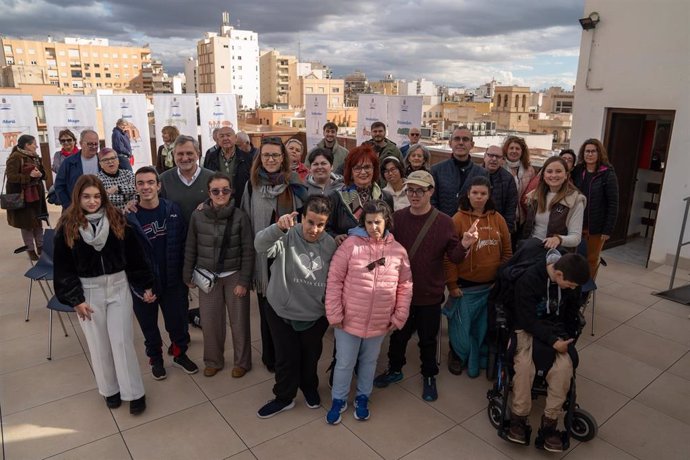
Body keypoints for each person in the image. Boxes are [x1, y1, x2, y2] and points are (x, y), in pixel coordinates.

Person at [53, 175, 156, 415]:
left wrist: (145, 284)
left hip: (118, 287)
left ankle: (134, 392)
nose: (92, 201)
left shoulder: (118, 219)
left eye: (97, 196)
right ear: (78, 197)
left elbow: (135, 257)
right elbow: (63, 268)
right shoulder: (67, 226)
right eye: (86, 196)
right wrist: (75, 299)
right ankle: (110, 390)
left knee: (121, 341)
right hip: (88, 292)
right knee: (99, 344)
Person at [374, 170, 475, 401]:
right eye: (410, 190)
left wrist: (466, 243)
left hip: (429, 293)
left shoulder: (444, 222)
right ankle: (395, 369)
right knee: (398, 336)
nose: (414, 195)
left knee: (428, 339)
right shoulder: (397, 218)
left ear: (431, 191)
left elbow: (455, 257)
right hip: (401, 292)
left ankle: (429, 375)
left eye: (420, 190)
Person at [325, 200, 412, 424]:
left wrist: (399, 315)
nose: (374, 227)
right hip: (348, 320)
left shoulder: (398, 251)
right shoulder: (350, 246)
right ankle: (339, 399)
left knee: (369, 362)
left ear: (386, 222)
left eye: (378, 222)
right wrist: (334, 314)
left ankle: (363, 397)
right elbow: (334, 280)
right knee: (344, 362)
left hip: (379, 322)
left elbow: (405, 285)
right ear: (363, 223)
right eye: (370, 222)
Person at [255, 195, 337, 418]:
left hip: (314, 315)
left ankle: (309, 388)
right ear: (302, 218)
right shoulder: (287, 234)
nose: (315, 229)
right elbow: (260, 245)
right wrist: (277, 229)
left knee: (310, 357)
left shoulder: (330, 245)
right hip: (280, 310)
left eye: (321, 224)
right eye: (310, 222)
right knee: (286, 358)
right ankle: (284, 397)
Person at [507, 249, 590, 453]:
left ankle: (550, 424)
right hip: (527, 327)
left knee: (563, 368)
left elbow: (571, 316)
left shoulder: (572, 287)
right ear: (559, 274)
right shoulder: (529, 279)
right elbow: (525, 318)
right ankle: (519, 418)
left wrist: (565, 339)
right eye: (570, 285)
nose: (572, 289)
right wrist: (552, 341)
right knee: (525, 365)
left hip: (556, 329)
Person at [241, 137, 308, 372]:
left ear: (283, 158)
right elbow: (246, 220)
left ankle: (287, 356)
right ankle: (270, 357)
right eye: (266, 155)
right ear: (260, 158)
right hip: (262, 258)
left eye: (276, 155)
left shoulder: (295, 184)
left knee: (286, 309)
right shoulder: (252, 185)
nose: (271, 159)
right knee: (266, 309)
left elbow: (304, 220)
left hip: (287, 257)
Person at [127, 166, 198, 380]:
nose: (146, 187)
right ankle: (156, 359)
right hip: (145, 284)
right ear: (136, 187)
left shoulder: (172, 210)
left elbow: (186, 244)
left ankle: (179, 354)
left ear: (159, 185)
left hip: (173, 279)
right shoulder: (129, 218)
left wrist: (186, 275)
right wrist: (141, 287)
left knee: (177, 322)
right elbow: (127, 257)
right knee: (149, 327)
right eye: (141, 183)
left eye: (150, 182)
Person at [184, 172, 255, 378]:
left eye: (225, 190)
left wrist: (244, 281)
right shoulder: (197, 216)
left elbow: (248, 250)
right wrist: (187, 274)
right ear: (209, 193)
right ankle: (213, 360)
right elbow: (191, 246)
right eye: (215, 191)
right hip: (209, 277)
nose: (220, 194)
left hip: (234, 275)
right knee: (210, 321)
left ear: (231, 191)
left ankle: (242, 362)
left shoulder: (240, 216)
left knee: (239, 323)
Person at [444, 176, 512, 377]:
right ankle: (457, 353)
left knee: (481, 328)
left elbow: (507, 252)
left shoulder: (498, 219)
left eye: (483, 193)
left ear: (489, 195)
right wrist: (452, 284)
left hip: (490, 287)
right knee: (461, 329)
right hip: (464, 288)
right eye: (475, 193)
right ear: (468, 194)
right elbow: (449, 257)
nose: (479, 197)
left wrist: (500, 280)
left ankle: (473, 353)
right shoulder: (457, 219)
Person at [327, 145, 394, 246]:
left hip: (378, 256)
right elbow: (325, 228)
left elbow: (390, 229)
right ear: (351, 172)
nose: (363, 172)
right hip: (346, 256)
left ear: (374, 169)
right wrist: (335, 237)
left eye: (367, 167)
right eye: (357, 168)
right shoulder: (336, 197)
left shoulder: (385, 197)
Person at [572, 139, 619, 279]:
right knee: (574, 258)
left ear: (599, 153)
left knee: (591, 259)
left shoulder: (607, 174)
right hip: (576, 223)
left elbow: (613, 203)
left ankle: (586, 291)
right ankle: (573, 288)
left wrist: (607, 229)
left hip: (596, 227)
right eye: (587, 151)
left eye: (593, 151)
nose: (590, 154)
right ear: (583, 153)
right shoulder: (578, 171)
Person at [521, 156, 586, 250]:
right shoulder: (534, 196)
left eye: (558, 171)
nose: (554, 175)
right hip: (531, 248)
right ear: (543, 175)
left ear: (566, 175)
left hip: (556, 255)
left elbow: (576, 238)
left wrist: (558, 239)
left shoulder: (575, 200)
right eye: (549, 171)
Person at [55, 129, 130, 210]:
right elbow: (59, 186)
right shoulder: (69, 162)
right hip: (76, 210)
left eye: (96, 144)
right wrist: (69, 205)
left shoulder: (103, 161)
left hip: (101, 209)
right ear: (81, 143)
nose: (94, 147)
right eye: (90, 144)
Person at [5, 134, 47, 261]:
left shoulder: (35, 157)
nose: (36, 146)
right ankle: (30, 250)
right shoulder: (15, 158)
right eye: (34, 143)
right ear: (27, 145)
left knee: (38, 222)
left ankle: (41, 246)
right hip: (23, 197)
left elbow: (43, 173)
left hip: (36, 196)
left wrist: (41, 174)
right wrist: (30, 177)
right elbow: (12, 177)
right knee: (27, 224)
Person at [431, 126, 488, 216]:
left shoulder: (482, 173)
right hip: (443, 225)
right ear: (450, 143)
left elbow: (485, 204)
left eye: (465, 139)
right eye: (457, 139)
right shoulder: (437, 170)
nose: (461, 143)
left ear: (472, 145)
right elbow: (432, 201)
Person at [159, 135, 215, 224]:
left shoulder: (213, 178)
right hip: (174, 236)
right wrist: (133, 204)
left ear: (198, 154)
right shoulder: (163, 179)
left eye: (189, 153)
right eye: (180, 154)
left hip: (205, 236)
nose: (185, 158)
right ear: (174, 154)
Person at [203, 126, 254, 207]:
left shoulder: (247, 158)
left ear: (235, 138)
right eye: (222, 136)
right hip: (217, 202)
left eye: (228, 135)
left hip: (241, 202)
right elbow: (206, 179)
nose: (225, 138)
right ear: (217, 140)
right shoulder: (210, 157)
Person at [483, 145, 518, 232]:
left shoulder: (508, 179)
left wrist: (506, 231)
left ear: (502, 160)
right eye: (490, 155)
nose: (494, 159)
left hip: (497, 226)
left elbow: (510, 208)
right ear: (484, 157)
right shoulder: (474, 173)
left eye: (498, 157)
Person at [502, 136, 535, 226]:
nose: (514, 151)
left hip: (521, 214)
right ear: (506, 150)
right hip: (503, 213)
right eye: (511, 148)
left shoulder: (529, 170)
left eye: (517, 149)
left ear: (522, 152)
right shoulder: (500, 166)